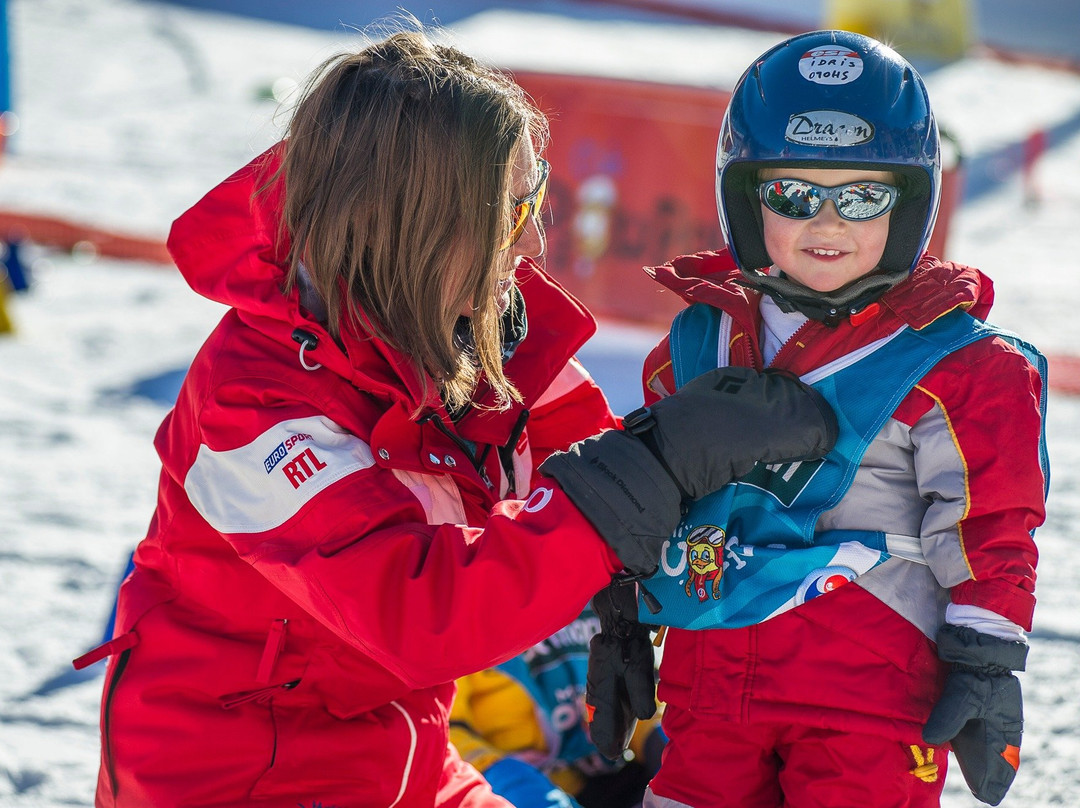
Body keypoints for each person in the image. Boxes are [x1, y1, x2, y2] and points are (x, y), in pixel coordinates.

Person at [72, 27, 838, 808]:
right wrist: (653, 468)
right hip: (243, 779)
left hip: (404, 759)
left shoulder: (464, 330)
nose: (534, 237)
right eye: (515, 207)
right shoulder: (255, 404)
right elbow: (422, 613)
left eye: (536, 192)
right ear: (424, 222)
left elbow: (595, 462)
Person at [584, 29, 1049, 808]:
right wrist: (622, 621)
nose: (828, 224)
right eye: (795, 197)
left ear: (910, 203)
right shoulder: (701, 338)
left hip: (867, 698)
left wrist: (984, 659)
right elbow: (649, 489)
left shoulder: (957, 365)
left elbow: (990, 523)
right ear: (746, 195)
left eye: (863, 197)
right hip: (713, 684)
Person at [450, 599, 666, 808]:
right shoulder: (462, 606)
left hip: (614, 773)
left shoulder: (606, 581)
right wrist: (510, 781)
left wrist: (661, 744)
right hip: (508, 789)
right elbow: (444, 732)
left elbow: (639, 690)